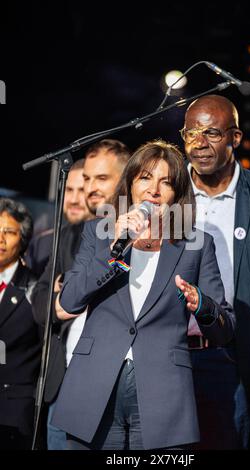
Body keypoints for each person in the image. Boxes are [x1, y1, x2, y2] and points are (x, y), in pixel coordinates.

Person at [50, 140, 235, 450]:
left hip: (163, 396)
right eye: (146, 178)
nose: (154, 190)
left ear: (177, 194)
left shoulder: (196, 244)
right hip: (94, 390)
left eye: (166, 182)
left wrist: (201, 304)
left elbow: (224, 330)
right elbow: (66, 304)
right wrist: (113, 250)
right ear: (131, 184)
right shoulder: (99, 233)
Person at [181, 94, 250, 449]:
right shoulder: (164, 193)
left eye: (212, 134)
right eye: (191, 134)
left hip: (232, 360)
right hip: (167, 355)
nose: (199, 145)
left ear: (235, 137)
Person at [31, 138, 131, 450]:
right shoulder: (69, 235)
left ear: (126, 180)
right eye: (86, 178)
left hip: (117, 382)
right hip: (65, 384)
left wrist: (72, 291)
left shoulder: (143, 236)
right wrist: (60, 299)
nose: (90, 187)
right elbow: (40, 303)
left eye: (102, 178)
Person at [0, 198, 42, 449]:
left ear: (23, 239)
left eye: (9, 232)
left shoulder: (35, 287)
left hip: (12, 412)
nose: (0, 239)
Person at [25, 158, 91, 277]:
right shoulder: (42, 244)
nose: (73, 200)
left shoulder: (108, 242)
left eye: (82, 190)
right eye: (69, 190)